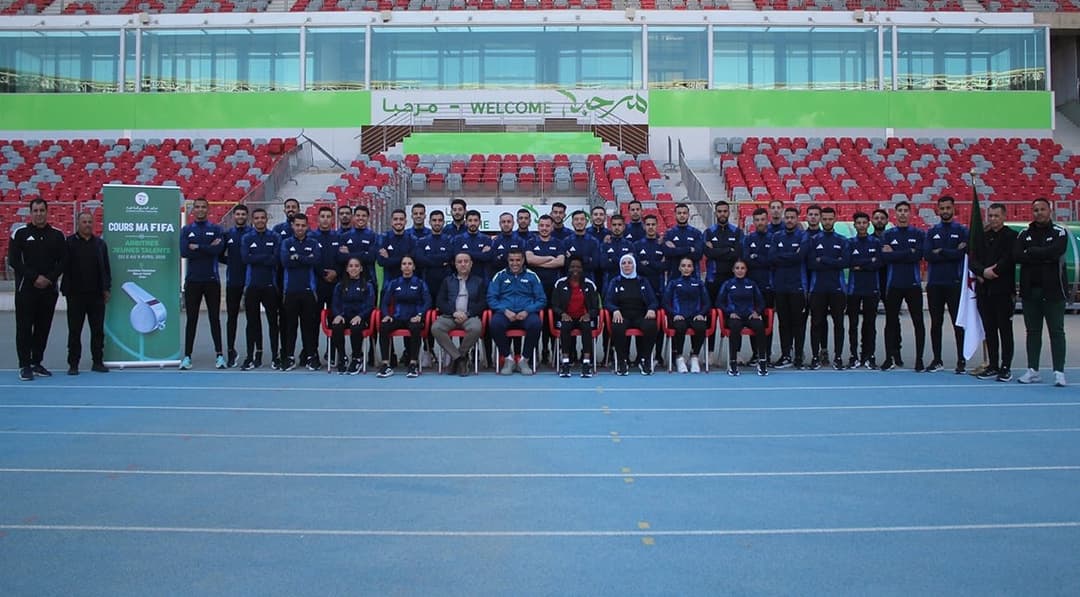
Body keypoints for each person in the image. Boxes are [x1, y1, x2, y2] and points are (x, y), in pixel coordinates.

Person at [1014, 198, 1068, 387]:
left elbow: (1056, 252)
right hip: (1030, 291)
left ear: (1049, 210)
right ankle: (1033, 370)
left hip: (1054, 291)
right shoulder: (1024, 233)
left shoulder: (1060, 232)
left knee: (1057, 331)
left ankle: (1059, 372)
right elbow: (1017, 255)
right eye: (1035, 210)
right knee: (1033, 332)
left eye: (1042, 209)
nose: (1039, 213)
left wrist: (1032, 253)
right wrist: (1043, 255)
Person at [11, 198, 65, 381]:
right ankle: (24, 365)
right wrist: (34, 277)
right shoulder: (20, 233)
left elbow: (63, 261)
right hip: (26, 290)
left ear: (47, 212)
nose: (39, 214)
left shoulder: (57, 235)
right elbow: (14, 261)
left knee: (43, 328)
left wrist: (49, 278)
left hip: (48, 290)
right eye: (36, 210)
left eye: (42, 210)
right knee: (24, 328)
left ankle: (36, 362)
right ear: (31, 213)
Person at [970, 203, 1018, 382]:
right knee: (989, 330)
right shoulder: (982, 237)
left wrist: (993, 272)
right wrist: (982, 272)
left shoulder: (1011, 236)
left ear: (1004, 216)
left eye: (997, 216)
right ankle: (993, 364)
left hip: (1003, 290)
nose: (993, 219)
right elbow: (973, 259)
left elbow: (1009, 258)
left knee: (1005, 329)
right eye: (990, 216)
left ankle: (1006, 366)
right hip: (984, 290)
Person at [179, 197, 226, 370]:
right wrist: (207, 248)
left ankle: (219, 355)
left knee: (214, 318)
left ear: (208, 209)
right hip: (193, 281)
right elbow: (184, 252)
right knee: (192, 319)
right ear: (193, 210)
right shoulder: (186, 230)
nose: (200, 210)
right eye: (197, 207)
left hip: (212, 280)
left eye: (203, 207)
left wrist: (197, 247)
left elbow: (218, 250)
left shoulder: (216, 229)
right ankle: (187, 357)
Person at [924, 196, 969, 374]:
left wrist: (941, 251)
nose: (945, 211)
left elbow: (962, 253)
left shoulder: (962, 231)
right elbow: (928, 255)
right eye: (942, 208)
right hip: (935, 284)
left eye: (948, 208)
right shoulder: (932, 231)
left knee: (958, 323)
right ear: (938, 210)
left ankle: (961, 360)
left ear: (953, 209)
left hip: (955, 283)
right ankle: (937, 360)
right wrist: (952, 252)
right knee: (936, 323)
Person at [63, 211, 110, 375]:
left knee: (97, 331)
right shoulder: (69, 243)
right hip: (75, 295)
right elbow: (63, 266)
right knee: (75, 331)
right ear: (78, 224)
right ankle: (73, 364)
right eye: (84, 222)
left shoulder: (100, 244)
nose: (87, 225)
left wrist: (106, 288)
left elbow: (106, 268)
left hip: (96, 295)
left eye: (90, 222)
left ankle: (97, 362)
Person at [881, 201, 927, 371]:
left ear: (910, 213)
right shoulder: (887, 234)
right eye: (899, 210)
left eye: (905, 210)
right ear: (895, 214)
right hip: (894, 284)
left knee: (918, 322)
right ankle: (888, 358)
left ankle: (919, 360)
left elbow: (918, 256)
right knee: (891, 322)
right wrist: (908, 252)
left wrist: (895, 253)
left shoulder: (918, 234)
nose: (902, 213)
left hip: (913, 284)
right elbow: (885, 257)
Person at [487, 248, 546, 375]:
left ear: (523, 260)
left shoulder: (532, 276)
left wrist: (527, 311)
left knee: (536, 324)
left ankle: (524, 360)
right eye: (512, 260)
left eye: (518, 260)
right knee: (495, 324)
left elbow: (541, 300)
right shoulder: (499, 276)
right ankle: (508, 359)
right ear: (508, 261)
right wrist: (504, 310)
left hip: (526, 313)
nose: (515, 263)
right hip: (505, 313)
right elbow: (491, 298)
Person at [432, 252, 487, 377]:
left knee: (476, 328)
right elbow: (440, 301)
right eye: (460, 262)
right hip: (451, 316)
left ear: (471, 264)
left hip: (470, 316)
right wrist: (454, 312)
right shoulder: (447, 281)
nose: (463, 264)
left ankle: (457, 357)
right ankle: (460, 359)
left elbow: (483, 302)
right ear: (455, 265)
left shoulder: (478, 281)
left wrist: (468, 313)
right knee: (436, 328)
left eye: (466, 261)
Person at [806, 206, 849, 370]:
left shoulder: (842, 240)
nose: (827, 222)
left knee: (838, 323)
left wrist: (823, 260)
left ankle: (838, 357)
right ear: (821, 220)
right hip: (818, 288)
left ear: (835, 219)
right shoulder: (813, 240)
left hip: (837, 288)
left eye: (830, 219)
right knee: (816, 323)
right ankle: (815, 356)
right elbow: (811, 263)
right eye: (824, 219)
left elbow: (845, 262)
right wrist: (834, 262)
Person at [279, 212, 322, 372]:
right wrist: (305, 258)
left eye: (303, 225)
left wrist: (297, 257)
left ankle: (310, 356)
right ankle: (289, 357)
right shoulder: (286, 243)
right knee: (290, 326)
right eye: (297, 225)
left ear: (307, 227)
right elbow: (285, 261)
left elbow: (315, 260)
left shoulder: (313, 243)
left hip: (309, 291)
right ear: (292, 226)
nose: (300, 228)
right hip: (290, 291)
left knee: (308, 326)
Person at [376, 255, 430, 379]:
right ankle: (385, 364)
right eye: (404, 264)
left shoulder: (420, 283)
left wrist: (420, 315)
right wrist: (386, 315)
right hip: (398, 317)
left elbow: (427, 302)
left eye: (409, 264)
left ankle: (413, 364)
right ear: (401, 267)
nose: (407, 266)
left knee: (416, 328)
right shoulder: (394, 283)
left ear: (414, 267)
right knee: (383, 327)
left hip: (414, 318)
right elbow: (384, 302)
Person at [239, 208, 280, 370]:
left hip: (270, 285)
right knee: (252, 323)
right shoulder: (247, 238)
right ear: (252, 220)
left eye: (262, 217)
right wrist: (265, 257)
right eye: (257, 218)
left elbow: (276, 259)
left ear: (266, 219)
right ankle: (252, 356)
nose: (260, 220)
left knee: (273, 323)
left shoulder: (274, 237)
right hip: (252, 286)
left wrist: (256, 258)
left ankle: (275, 356)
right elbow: (245, 258)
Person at [605, 254, 659, 376]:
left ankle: (645, 359)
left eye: (629, 263)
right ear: (620, 266)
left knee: (651, 326)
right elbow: (608, 301)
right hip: (622, 315)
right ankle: (622, 360)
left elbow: (653, 301)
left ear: (634, 265)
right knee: (617, 326)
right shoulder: (615, 281)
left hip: (640, 315)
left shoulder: (643, 281)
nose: (627, 265)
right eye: (624, 263)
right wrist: (615, 310)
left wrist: (651, 309)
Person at [769, 206, 808, 369]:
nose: (790, 220)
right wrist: (792, 255)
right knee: (783, 323)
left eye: (793, 217)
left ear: (797, 219)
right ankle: (785, 355)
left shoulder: (804, 236)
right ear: (784, 218)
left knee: (798, 323)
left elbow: (800, 257)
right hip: (780, 286)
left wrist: (783, 256)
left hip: (797, 286)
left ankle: (798, 356)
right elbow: (772, 257)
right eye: (788, 217)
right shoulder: (777, 236)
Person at [551, 255, 600, 378]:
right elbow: (554, 305)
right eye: (572, 266)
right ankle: (565, 363)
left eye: (578, 267)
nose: (575, 269)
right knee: (565, 326)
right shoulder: (560, 283)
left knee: (587, 326)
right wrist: (562, 314)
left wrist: (589, 314)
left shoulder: (590, 285)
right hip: (566, 317)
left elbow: (596, 307)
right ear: (568, 268)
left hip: (583, 317)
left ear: (582, 269)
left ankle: (586, 363)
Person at [717, 260, 769, 377]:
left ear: (746, 270)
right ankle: (733, 361)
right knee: (735, 327)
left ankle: (762, 360)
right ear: (733, 270)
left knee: (760, 325)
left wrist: (757, 312)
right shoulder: (727, 284)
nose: (740, 270)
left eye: (742, 268)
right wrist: (729, 312)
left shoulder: (751, 284)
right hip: (735, 316)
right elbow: (719, 302)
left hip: (749, 315)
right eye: (737, 268)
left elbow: (761, 302)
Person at [845, 212, 882, 370]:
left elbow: (878, 263)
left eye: (864, 223)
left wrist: (860, 265)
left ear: (868, 224)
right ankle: (854, 356)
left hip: (871, 289)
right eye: (858, 223)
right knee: (853, 324)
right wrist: (868, 262)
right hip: (854, 290)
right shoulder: (850, 243)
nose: (861, 225)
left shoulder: (876, 242)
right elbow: (848, 262)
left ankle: (869, 355)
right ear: (854, 225)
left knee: (870, 324)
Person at [329, 257, 375, 375]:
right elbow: (335, 303)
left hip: (360, 317)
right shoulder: (339, 286)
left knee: (356, 328)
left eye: (356, 266)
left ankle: (356, 358)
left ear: (361, 269)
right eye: (351, 266)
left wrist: (360, 316)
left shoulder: (368, 286)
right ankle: (342, 357)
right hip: (344, 316)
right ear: (347, 269)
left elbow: (370, 305)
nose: (353, 268)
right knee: (336, 326)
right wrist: (338, 315)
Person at [665, 256, 710, 374]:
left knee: (701, 326)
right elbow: (665, 303)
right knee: (680, 327)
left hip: (695, 315)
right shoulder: (673, 283)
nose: (686, 268)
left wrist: (701, 314)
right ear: (679, 268)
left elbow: (707, 303)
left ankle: (694, 356)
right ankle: (679, 357)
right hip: (678, 316)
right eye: (683, 266)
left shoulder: (699, 283)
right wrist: (674, 314)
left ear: (693, 268)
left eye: (689, 266)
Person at [633, 214, 668, 367]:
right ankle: (640, 355)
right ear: (644, 226)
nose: (651, 227)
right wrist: (655, 265)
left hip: (659, 289)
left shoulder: (662, 244)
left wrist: (648, 264)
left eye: (653, 224)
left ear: (657, 225)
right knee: (642, 323)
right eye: (648, 224)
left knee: (659, 325)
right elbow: (638, 267)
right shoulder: (637, 245)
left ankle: (658, 355)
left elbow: (665, 266)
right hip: (641, 291)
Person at [742, 207, 774, 365]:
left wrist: (756, 258)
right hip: (752, 288)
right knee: (753, 319)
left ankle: (766, 353)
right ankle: (756, 353)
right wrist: (760, 259)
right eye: (757, 220)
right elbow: (746, 260)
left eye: (762, 219)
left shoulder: (773, 238)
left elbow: (772, 260)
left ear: (767, 220)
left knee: (768, 321)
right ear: (753, 222)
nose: (760, 222)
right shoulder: (748, 239)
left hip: (768, 286)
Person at [219, 203, 250, 367]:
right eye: (238, 214)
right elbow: (219, 255)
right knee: (232, 318)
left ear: (247, 216)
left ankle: (252, 353)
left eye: (243, 214)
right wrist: (230, 262)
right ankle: (231, 351)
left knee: (252, 319)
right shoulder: (227, 234)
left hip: (250, 282)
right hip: (233, 281)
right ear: (233, 216)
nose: (240, 217)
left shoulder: (252, 233)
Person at [377, 208, 417, 291]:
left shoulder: (412, 239)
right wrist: (405, 259)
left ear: (405, 221)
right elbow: (381, 262)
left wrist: (389, 259)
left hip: (408, 284)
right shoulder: (384, 238)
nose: (398, 222)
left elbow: (415, 259)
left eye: (401, 219)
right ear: (391, 221)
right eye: (395, 219)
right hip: (388, 284)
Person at [661, 203, 704, 279]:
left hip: (693, 278)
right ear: (675, 215)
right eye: (679, 213)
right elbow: (667, 252)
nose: (682, 215)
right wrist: (689, 249)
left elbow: (698, 255)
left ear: (688, 215)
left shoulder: (696, 233)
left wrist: (676, 250)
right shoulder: (669, 233)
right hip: (674, 278)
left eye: (684, 213)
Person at [561, 209, 601, 285]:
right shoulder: (566, 241)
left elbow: (595, 264)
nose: (579, 222)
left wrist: (573, 257)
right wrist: (587, 259)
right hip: (570, 282)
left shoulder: (594, 241)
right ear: (572, 222)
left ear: (586, 222)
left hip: (589, 281)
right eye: (576, 219)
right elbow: (565, 264)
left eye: (582, 219)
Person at [341, 204, 378, 285]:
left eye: (364, 216)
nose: (361, 218)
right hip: (348, 280)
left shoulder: (373, 236)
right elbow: (342, 258)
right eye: (358, 215)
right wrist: (364, 253)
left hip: (368, 279)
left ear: (368, 218)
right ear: (353, 217)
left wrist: (349, 254)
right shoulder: (345, 236)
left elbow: (371, 258)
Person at [453, 209, 495, 278]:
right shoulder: (458, 239)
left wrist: (464, 252)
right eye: (470, 220)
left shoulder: (486, 239)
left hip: (482, 278)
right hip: (463, 278)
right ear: (466, 222)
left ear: (480, 222)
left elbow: (487, 257)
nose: (473, 223)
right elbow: (457, 257)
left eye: (475, 220)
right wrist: (480, 254)